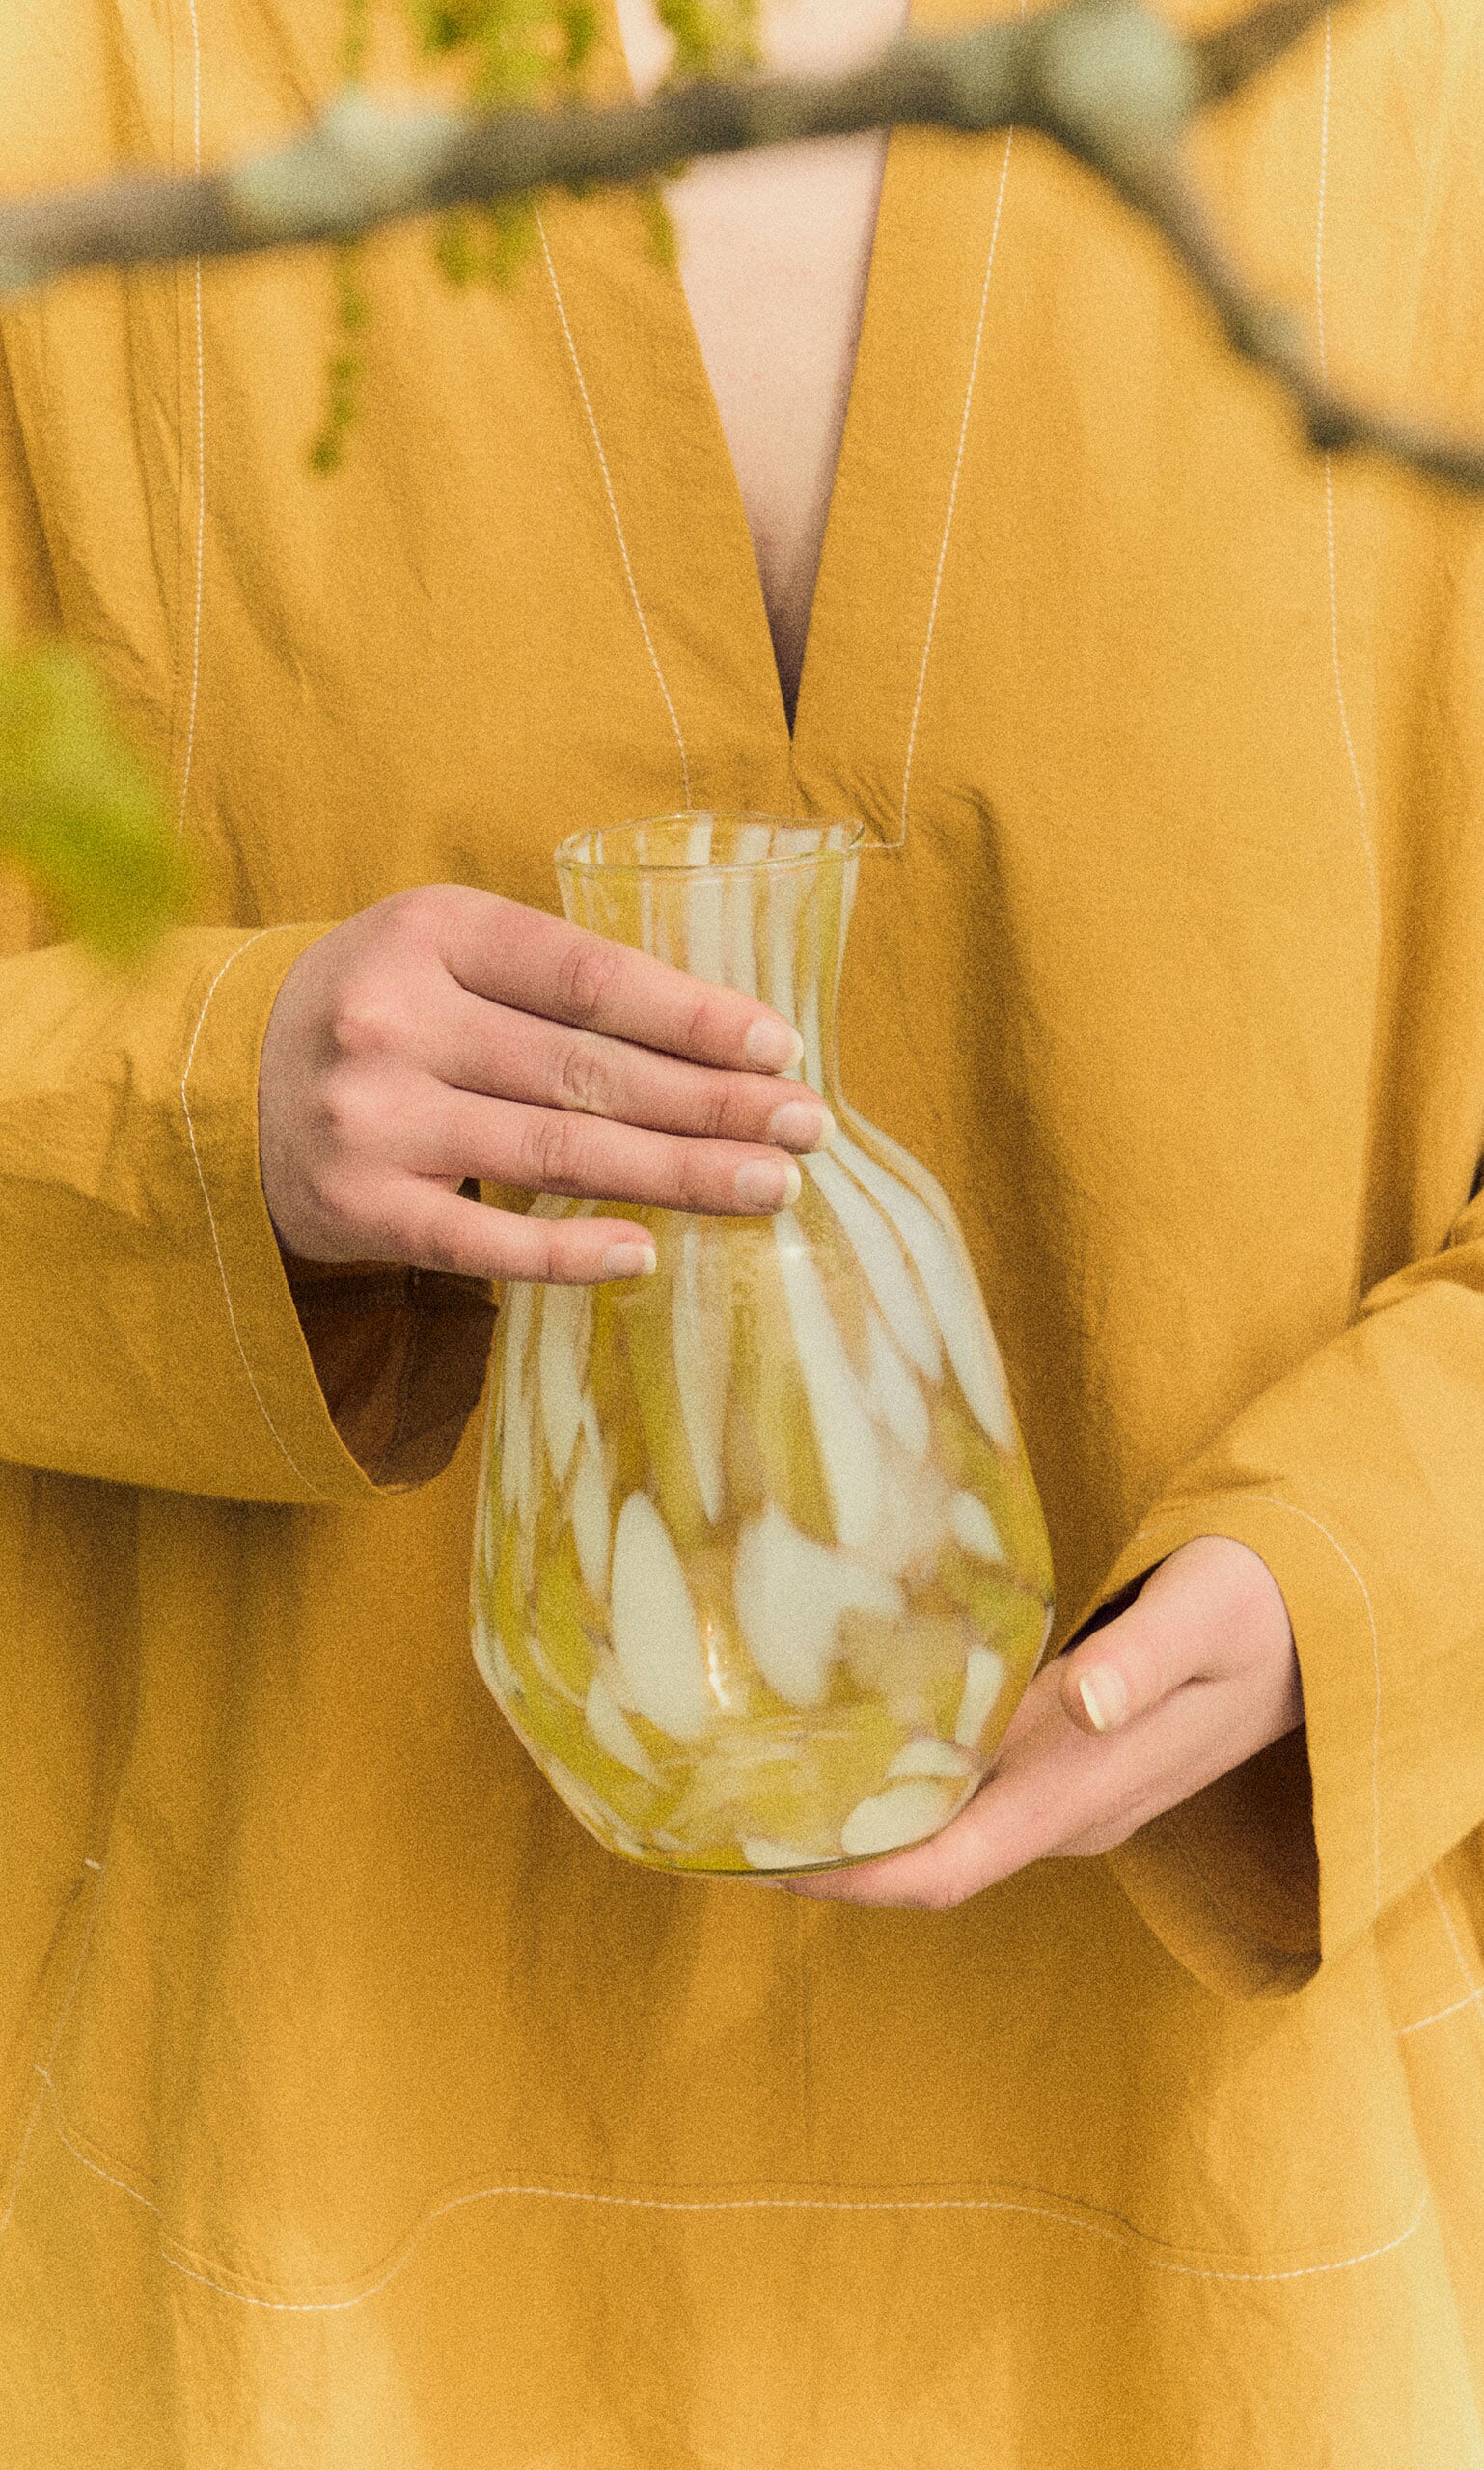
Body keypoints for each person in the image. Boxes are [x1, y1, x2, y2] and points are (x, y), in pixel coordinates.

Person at [1, 0, 1482, 2458]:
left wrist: (1382, 1553)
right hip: (283, 2211)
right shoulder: (85, 69)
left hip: (1230, 2253)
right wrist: (189, 1103)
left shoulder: (1425, 74)